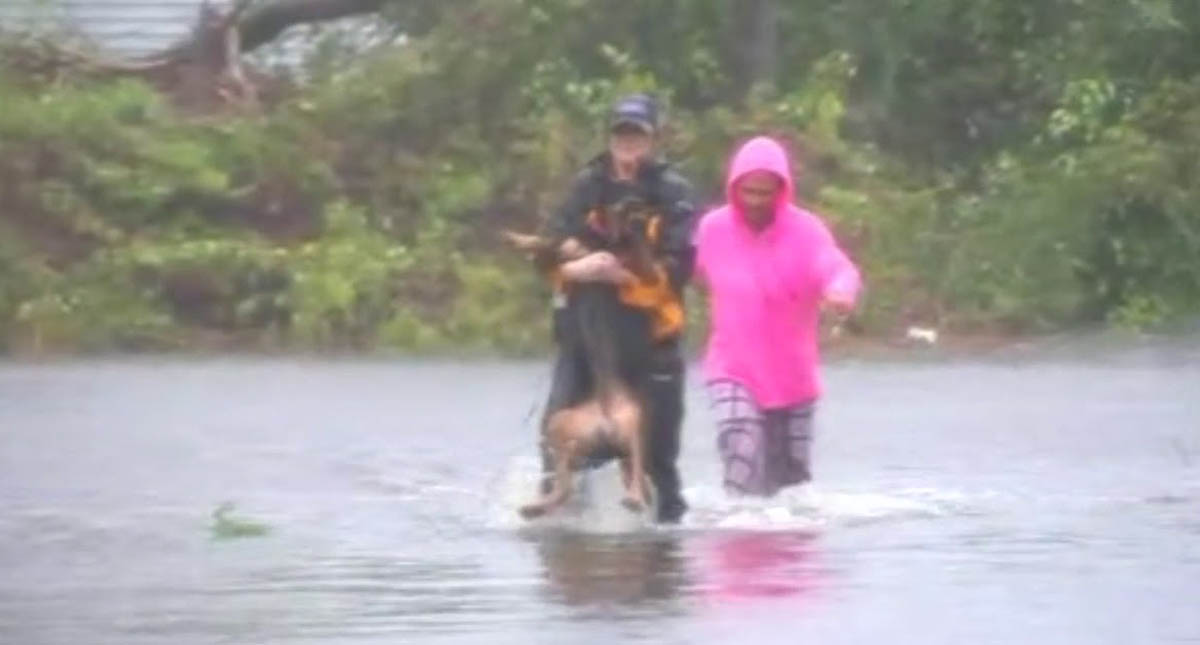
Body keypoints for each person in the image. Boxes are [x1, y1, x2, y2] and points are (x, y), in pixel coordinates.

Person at [535, 93, 697, 523]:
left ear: (653, 138)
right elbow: (550, 241)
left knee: (657, 454)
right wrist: (579, 263)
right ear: (610, 136)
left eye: (637, 134)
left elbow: (682, 262)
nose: (628, 142)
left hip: (649, 337)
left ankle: (663, 542)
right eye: (621, 133)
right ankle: (560, 530)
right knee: (559, 439)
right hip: (584, 336)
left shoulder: (674, 190)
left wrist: (626, 275)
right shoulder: (586, 184)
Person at [692, 136, 861, 498]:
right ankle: (734, 530)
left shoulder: (806, 231)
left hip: (792, 378)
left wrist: (840, 292)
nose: (755, 202)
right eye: (747, 191)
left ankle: (783, 548)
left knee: (791, 487)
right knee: (742, 443)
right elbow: (671, 269)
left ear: (782, 191)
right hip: (732, 368)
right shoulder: (712, 230)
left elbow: (836, 266)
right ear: (734, 188)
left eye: (765, 193)